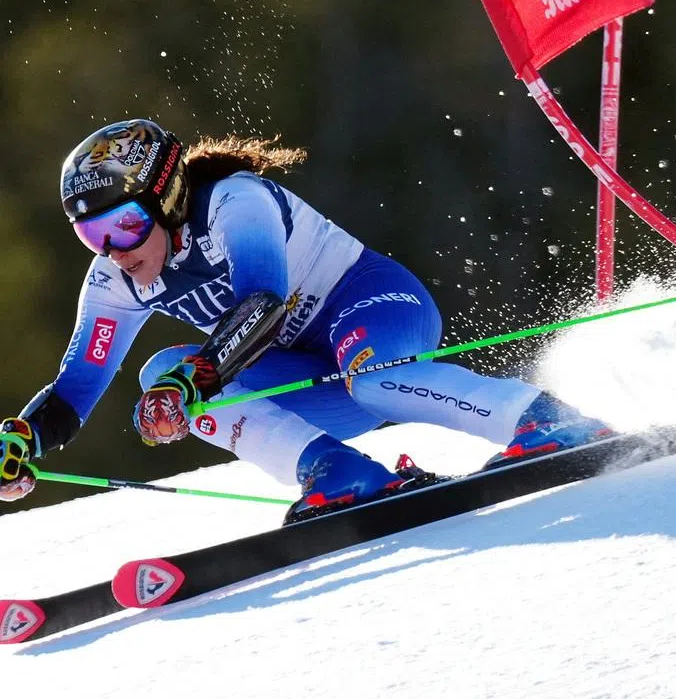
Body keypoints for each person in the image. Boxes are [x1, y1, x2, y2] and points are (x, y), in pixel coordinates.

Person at [0, 119, 612, 524]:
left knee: (368, 378)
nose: (114, 249)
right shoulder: (114, 280)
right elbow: (75, 388)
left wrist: (195, 381)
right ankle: (339, 472)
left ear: (165, 198)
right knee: (161, 369)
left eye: (124, 224)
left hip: (371, 308)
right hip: (312, 378)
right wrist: (25, 441)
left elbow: (263, 303)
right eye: (91, 235)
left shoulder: (235, 202)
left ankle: (547, 419)